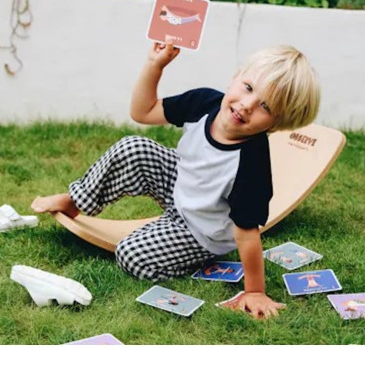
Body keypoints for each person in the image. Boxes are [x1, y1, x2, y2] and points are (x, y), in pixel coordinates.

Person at [31, 36, 320, 320]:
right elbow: (142, 112)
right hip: (180, 186)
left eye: (265, 107)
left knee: (131, 255)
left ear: (276, 124)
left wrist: (255, 291)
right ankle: (76, 200)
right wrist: (155, 65)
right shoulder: (205, 102)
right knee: (134, 147)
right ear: (236, 77)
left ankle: (183, 250)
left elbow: (246, 232)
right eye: (247, 88)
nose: (246, 105)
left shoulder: (251, 163)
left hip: (202, 230)